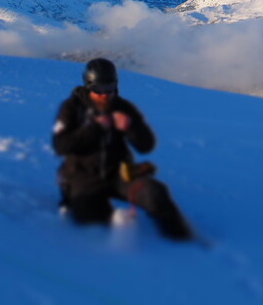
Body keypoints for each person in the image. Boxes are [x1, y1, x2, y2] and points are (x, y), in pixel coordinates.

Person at [52, 58, 193, 240]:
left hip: (119, 174)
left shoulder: (123, 108)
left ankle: (181, 242)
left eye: (109, 89)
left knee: (154, 193)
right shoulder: (72, 109)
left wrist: (131, 128)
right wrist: (94, 129)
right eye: (98, 89)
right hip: (83, 175)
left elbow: (146, 145)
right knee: (91, 221)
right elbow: (61, 145)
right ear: (88, 86)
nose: (105, 95)